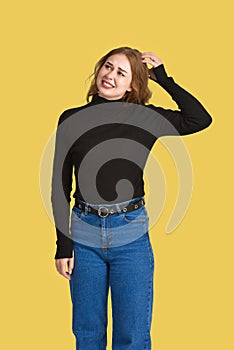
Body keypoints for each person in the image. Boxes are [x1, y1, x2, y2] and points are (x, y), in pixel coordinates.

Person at [51, 47, 212, 350]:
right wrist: (63, 244)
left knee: (134, 336)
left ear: (133, 85)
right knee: (87, 333)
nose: (109, 75)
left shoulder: (145, 118)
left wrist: (162, 77)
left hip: (131, 233)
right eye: (108, 67)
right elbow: (59, 184)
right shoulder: (70, 118)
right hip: (83, 232)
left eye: (121, 73)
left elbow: (199, 118)